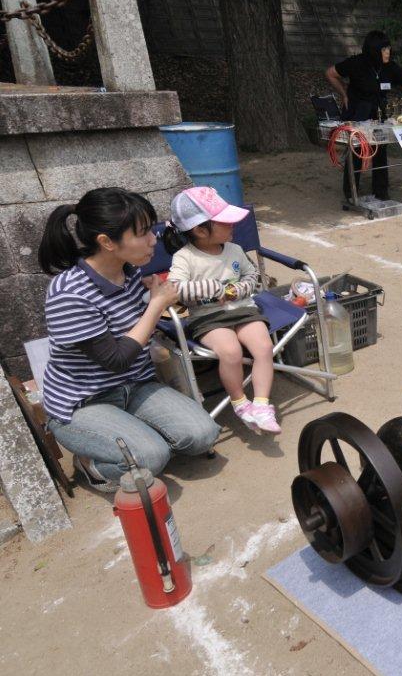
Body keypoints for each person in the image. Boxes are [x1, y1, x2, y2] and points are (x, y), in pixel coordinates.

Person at [38, 187, 220, 492]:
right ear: (107, 242)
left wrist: (156, 300)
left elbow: (144, 332)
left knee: (203, 434)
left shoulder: (131, 272)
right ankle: (90, 465)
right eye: (144, 232)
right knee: (152, 457)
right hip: (84, 403)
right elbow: (116, 359)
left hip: (136, 385)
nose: (154, 239)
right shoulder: (69, 294)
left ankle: (132, 434)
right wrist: (155, 305)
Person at [163, 187, 281, 435]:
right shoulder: (184, 257)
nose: (232, 226)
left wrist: (237, 290)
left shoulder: (235, 249)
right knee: (231, 351)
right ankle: (240, 403)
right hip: (208, 317)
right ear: (199, 230)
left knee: (264, 347)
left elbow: (253, 277)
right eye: (225, 222)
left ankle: (261, 405)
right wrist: (216, 289)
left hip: (243, 310)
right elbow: (175, 289)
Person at [325, 31, 402, 202]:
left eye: (388, 48)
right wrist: (344, 94)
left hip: (379, 115)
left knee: (380, 151)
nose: (388, 52)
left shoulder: (390, 67)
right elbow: (330, 73)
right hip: (358, 115)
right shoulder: (355, 63)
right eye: (384, 49)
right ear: (374, 51)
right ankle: (351, 192)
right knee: (358, 150)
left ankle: (381, 191)